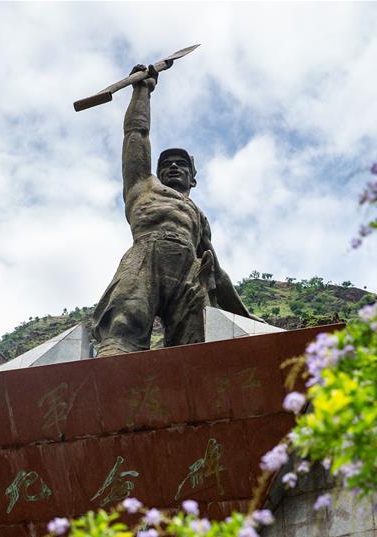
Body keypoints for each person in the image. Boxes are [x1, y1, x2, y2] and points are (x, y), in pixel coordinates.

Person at [92, 64, 259, 356]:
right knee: (123, 325)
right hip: (147, 256)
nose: (172, 166)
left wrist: (245, 315)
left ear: (192, 178)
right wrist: (142, 92)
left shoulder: (198, 217)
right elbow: (136, 133)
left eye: (181, 164)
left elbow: (217, 275)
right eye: (166, 163)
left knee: (193, 344)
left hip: (188, 273)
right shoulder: (143, 186)